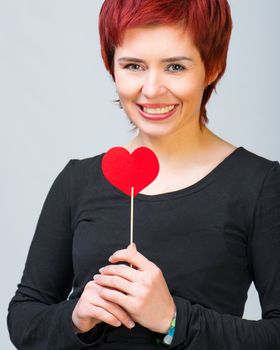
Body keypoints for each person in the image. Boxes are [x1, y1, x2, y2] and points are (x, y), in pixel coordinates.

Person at [7, 0, 280, 349]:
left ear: (212, 67)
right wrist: (77, 318)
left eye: (175, 67)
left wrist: (174, 320)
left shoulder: (259, 185)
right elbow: (24, 317)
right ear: (112, 67)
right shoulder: (77, 181)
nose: (151, 90)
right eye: (134, 65)